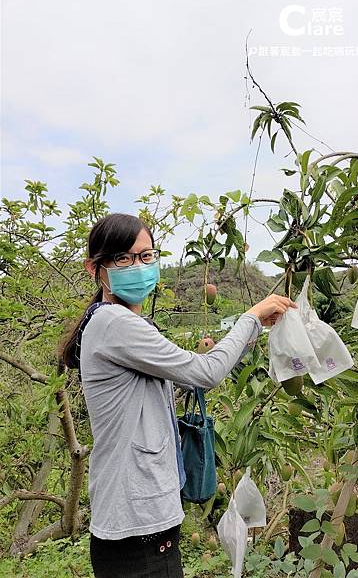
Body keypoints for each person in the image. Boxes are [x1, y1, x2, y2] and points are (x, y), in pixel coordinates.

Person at [58, 212, 297, 578]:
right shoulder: (114, 323)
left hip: (138, 525)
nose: (137, 266)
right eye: (123, 258)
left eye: (146, 256)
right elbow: (206, 373)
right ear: (96, 269)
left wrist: (234, 341)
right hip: (137, 530)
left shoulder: (122, 324)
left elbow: (180, 378)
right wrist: (250, 316)